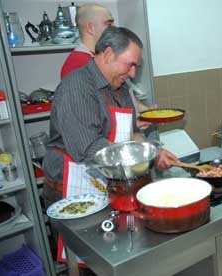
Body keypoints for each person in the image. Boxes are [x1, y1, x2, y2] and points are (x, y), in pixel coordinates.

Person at [42, 26, 178, 267]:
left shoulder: (121, 88)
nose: (134, 73)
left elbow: (131, 134)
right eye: (130, 64)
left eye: (137, 66)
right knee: (89, 263)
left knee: (115, 257)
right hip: (73, 188)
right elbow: (88, 148)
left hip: (107, 181)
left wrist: (152, 150)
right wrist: (144, 159)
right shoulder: (77, 87)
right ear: (107, 54)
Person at [60, 3, 151, 115]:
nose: (114, 27)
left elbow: (123, 94)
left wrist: (148, 112)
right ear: (90, 28)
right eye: (109, 23)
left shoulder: (108, 59)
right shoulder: (77, 64)